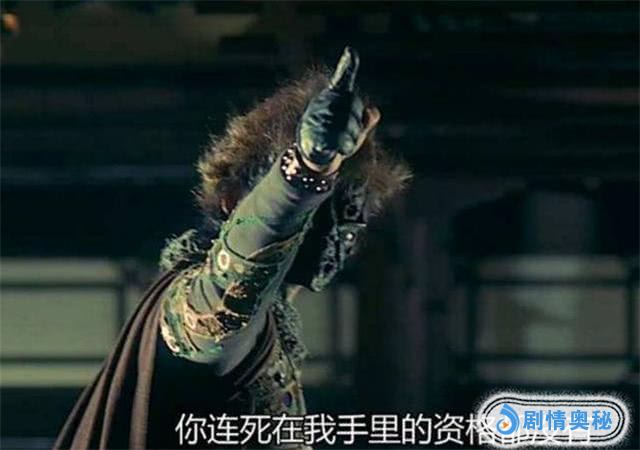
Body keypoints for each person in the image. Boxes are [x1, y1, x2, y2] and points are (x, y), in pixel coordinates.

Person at [53, 47, 410, 450]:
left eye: (352, 221)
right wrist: (303, 175)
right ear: (232, 198)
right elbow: (230, 289)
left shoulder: (272, 346)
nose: (338, 238)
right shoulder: (192, 303)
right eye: (326, 209)